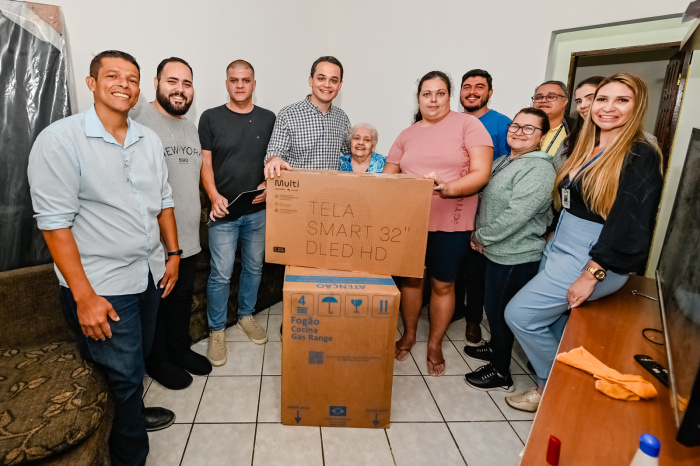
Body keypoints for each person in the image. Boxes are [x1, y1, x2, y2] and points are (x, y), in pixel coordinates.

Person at [28, 50, 178, 466]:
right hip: (102, 286)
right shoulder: (61, 140)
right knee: (125, 375)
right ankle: (131, 455)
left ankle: (130, 416)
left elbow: (164, 201)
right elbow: (54, 225)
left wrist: (173, 254)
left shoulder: (148, 140)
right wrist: (84, 297)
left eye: (132, 78)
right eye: (113, 76)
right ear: (92, 83)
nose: (123, 85)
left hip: (148, 274)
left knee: (135, 365)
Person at [504, 73, 664, 412]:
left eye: (622, 100)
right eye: (602, 99)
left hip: (592, 256)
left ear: (638, 107)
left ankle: (555, 387)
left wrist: (593, 273)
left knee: (520, 314)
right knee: (557, 326)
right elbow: (572, 200)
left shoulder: (640, 154)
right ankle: (561, 392)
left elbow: (629, 223)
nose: (608, 107)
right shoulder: (587, 144)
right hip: (560, 245)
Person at [384, 71, 493, 376]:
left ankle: (434, 344)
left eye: (440, 93)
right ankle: (409, 334)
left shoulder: (469, 125)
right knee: (411, 280)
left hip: (452, 220)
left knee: (443, 284)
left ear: (449, 96)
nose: (433, 100)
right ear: (418, 98)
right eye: (426, 94)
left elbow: (481, 173)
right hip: (411, 221)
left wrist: (448, 188)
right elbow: (388, 176)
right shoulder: (407, 134)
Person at [131, 57, 212, 389]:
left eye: (187, 83)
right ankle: (158, 361)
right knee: (157, 305)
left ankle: (179, 351)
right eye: (172, 81)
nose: (180, 90)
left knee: (179, 301)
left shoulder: (189, 127)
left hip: (188, 237)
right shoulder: (139, 119)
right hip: (158, 241)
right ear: (156, 83)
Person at [463, 108, 555, 392]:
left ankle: (501, 372)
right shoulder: (503, 160)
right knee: (493, 309)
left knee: (500, 313)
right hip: (493, 249)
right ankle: (495, 348)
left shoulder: (539, 169)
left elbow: (518, 214)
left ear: (542, 136)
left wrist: (482, 236)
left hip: (515, 255)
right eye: (515, 126)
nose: (518, 132)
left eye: (529, 128)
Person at [199, 60, 275, 366]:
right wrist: (213, 195)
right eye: (234, 80)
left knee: (254, 267)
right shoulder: (210, 117)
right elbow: (205, 164)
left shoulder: (269, 118)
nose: (240, 85)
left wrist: (270, 184)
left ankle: (246, 315)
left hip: (258, 210)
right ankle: (217, 330)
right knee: (221, 274)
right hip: (223, 212)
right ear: (227, 83)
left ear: (254, 84)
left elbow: (276, 159)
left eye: (246, 80)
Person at [456, 69, 513, 346]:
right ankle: (455, 309)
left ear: (490, 92)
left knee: (476, 268)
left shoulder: (502, 123)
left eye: (479, 87)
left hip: (484, 208)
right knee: (455, 263)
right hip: (453, 205)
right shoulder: (453, 122)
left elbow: (506, 168)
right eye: (467, 86)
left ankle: (473, 319)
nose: (472, 92)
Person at [263, 56, 351, 178]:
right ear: (311, 81)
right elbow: (275, 152)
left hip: (331, 189)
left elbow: (352, 155)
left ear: (340, 85)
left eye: (334, 80)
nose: (327, 85)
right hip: (298, 188)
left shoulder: (342, 118)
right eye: (321, 78)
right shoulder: (288, 115)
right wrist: (275, 159)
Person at [554, 76, 658, 171]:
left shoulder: (645, 144)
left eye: (591, 98)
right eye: (578, 101)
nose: (582, 105)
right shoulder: (571, 139)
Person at [532, 80, 573, 155]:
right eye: (538, 97)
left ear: (565, 101)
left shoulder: (578, 131)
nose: (543, 100)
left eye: (551, 97)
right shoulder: (518, 128)